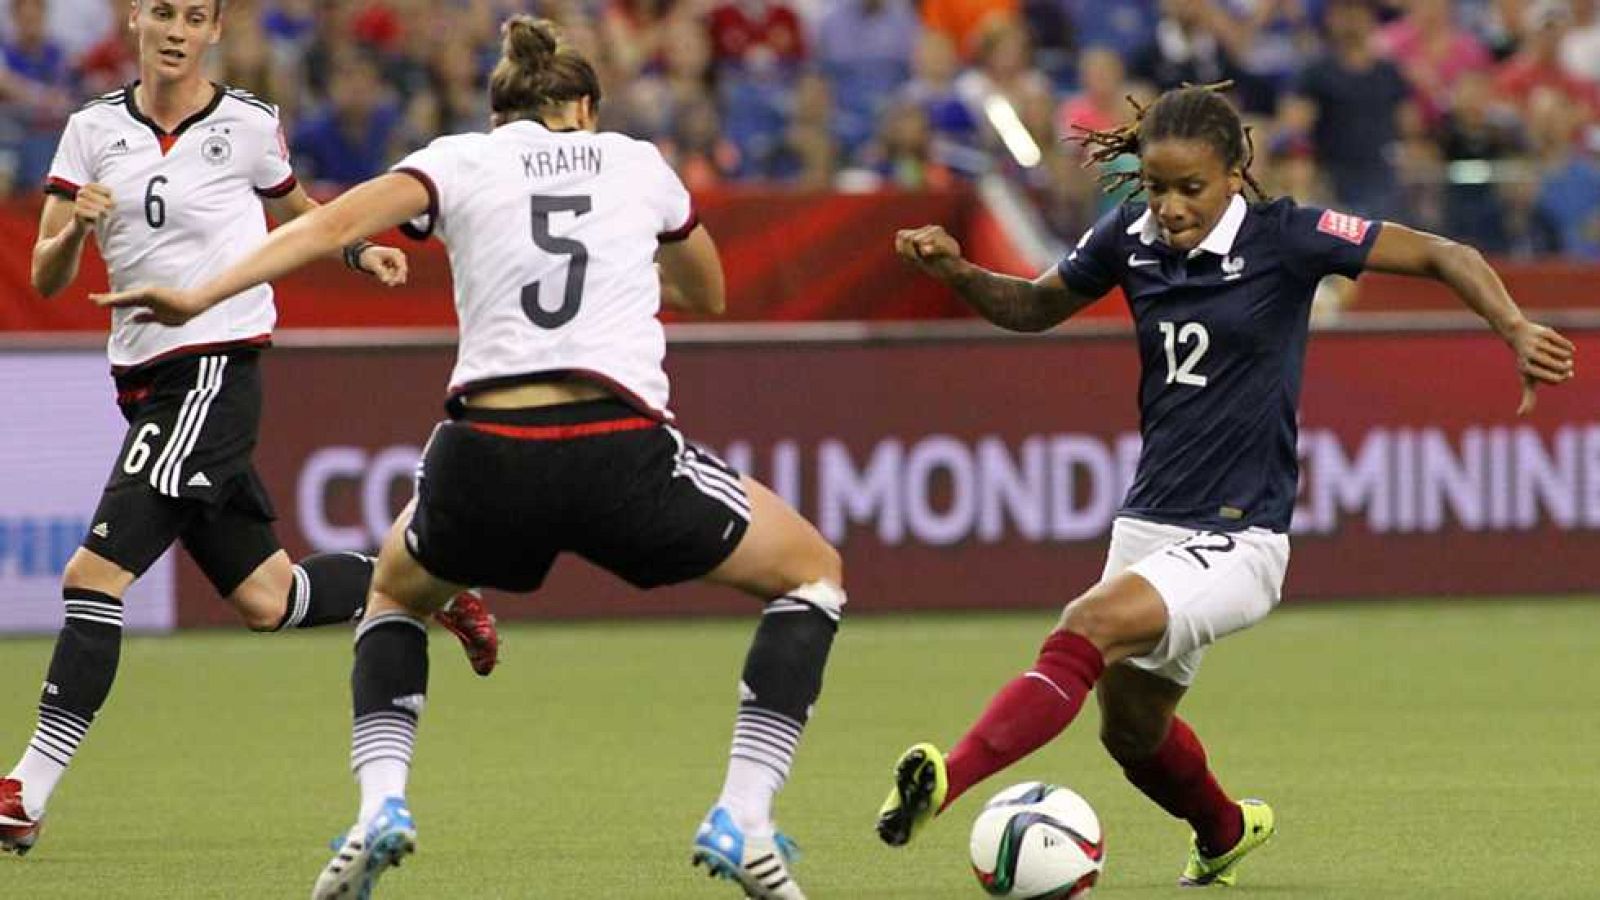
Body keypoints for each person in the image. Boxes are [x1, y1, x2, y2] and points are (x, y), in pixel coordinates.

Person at [95, 16, 846, 900]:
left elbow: (327, 224)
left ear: (500, 117)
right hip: (618, 443)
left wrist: (197, 294)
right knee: (813, 576)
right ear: (586, 108)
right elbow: (710, 292)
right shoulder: (638, 162)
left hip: (487, 450)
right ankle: (745, 816)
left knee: (393, 592)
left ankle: (381, 805)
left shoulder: (458, 160)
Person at [876, 83, 1576, 887]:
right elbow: (1035, 307)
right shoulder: (1128, 239)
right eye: (1155, 186)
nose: (1169, 207)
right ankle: (1226, 829)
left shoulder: (1291, 236)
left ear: (1237, 172)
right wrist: (959, 272)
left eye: (1190, 188)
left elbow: (1446, 254)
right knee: (1132, 734)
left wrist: (1515, 328)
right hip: (1149, 523)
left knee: (1085, 625)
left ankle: (946, 782)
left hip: (1241, 536)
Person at [0, 0, 500, 859]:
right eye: (163, 10)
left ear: (215, 32)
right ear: (133, 20)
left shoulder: (248, 123)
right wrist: (75, 230)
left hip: (211, 372)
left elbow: (300, 208)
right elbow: (46, 277)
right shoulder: (89, 131)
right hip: (146, 382)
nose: (176, 28)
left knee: (92, 575)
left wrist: (355, 249)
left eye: (195, 16)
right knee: (272, 600)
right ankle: (429, 581)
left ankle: (23, 793)